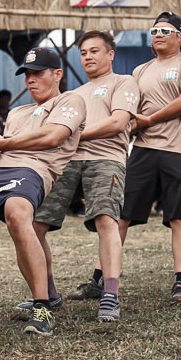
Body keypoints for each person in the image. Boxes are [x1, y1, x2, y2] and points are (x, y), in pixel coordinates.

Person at [0, 47, 85, 336]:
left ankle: (42, 307)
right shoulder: (16, 111)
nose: (31, 79)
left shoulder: (70, 101)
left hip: (32, 171)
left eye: (38, 73)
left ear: (58, 74)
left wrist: (0, 143)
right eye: (27, 74)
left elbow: (53, 136)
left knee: (17, 214)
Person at [76, 11, 181, 306]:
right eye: (154, 31)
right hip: (144, 149)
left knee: (180, 218)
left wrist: (148, 121)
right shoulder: (139, 71)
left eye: (165, 31)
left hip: (180, 150)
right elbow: (129, 114)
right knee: (119, 215)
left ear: (180, 37)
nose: (157, 35)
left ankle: (180, 284)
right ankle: (99, 279)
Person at [24, 30, 139, 321]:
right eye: (84, 53)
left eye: (94, 51)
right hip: (68, 160)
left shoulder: (124, 82)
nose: (87, 57)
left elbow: (118, 122)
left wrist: (74, 133)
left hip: (106, 158)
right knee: (35, 224)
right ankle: (48, 294)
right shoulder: (74, 94)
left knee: (105, 219)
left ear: (110, 54)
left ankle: (110, 294)